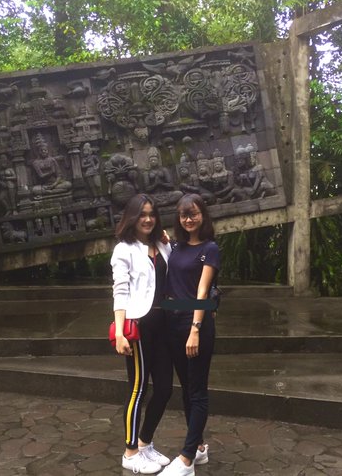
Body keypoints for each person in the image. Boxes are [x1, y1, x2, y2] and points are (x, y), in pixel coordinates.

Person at [110, 194, 174, 474]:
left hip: (164, 327)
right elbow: (120, 291)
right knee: (138, 389)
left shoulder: (161, 245)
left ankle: (145, 443)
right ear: (132, 217)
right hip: (139, 327)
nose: (147, 219)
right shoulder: (123, 250)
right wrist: (120, 332)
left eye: (152, 214)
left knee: (165, 388)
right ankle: (130, 451)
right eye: (142, 214)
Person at [160, 194, 220, 476]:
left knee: (197, 391)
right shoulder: (176, 246)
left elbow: (202, 292)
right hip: (173, 323)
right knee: (186, 387)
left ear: (203, 215)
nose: (189, 219)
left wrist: (195, 329)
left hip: (196, 324)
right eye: (184, 215)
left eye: (194, 214)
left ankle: (186, 460)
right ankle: (199, 447)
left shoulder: (210, 248)